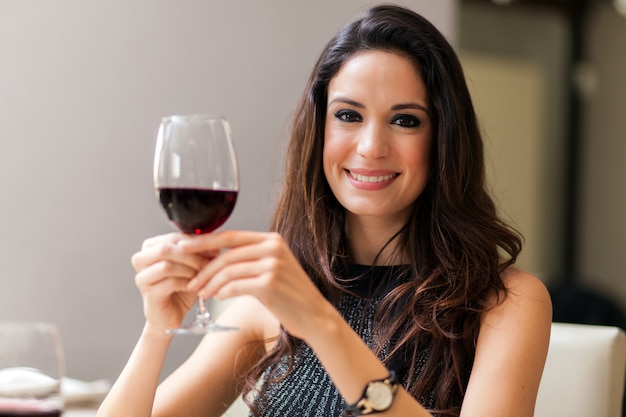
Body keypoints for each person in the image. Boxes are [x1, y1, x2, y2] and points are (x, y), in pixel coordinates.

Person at [97, 4, 552, 417]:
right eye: (348, 115)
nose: (372, 147)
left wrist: (319, 323)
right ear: (319, 129)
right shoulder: (264, 306)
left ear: (443, 142)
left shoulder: (507, 303)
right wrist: (157, 330)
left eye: (405, 120)